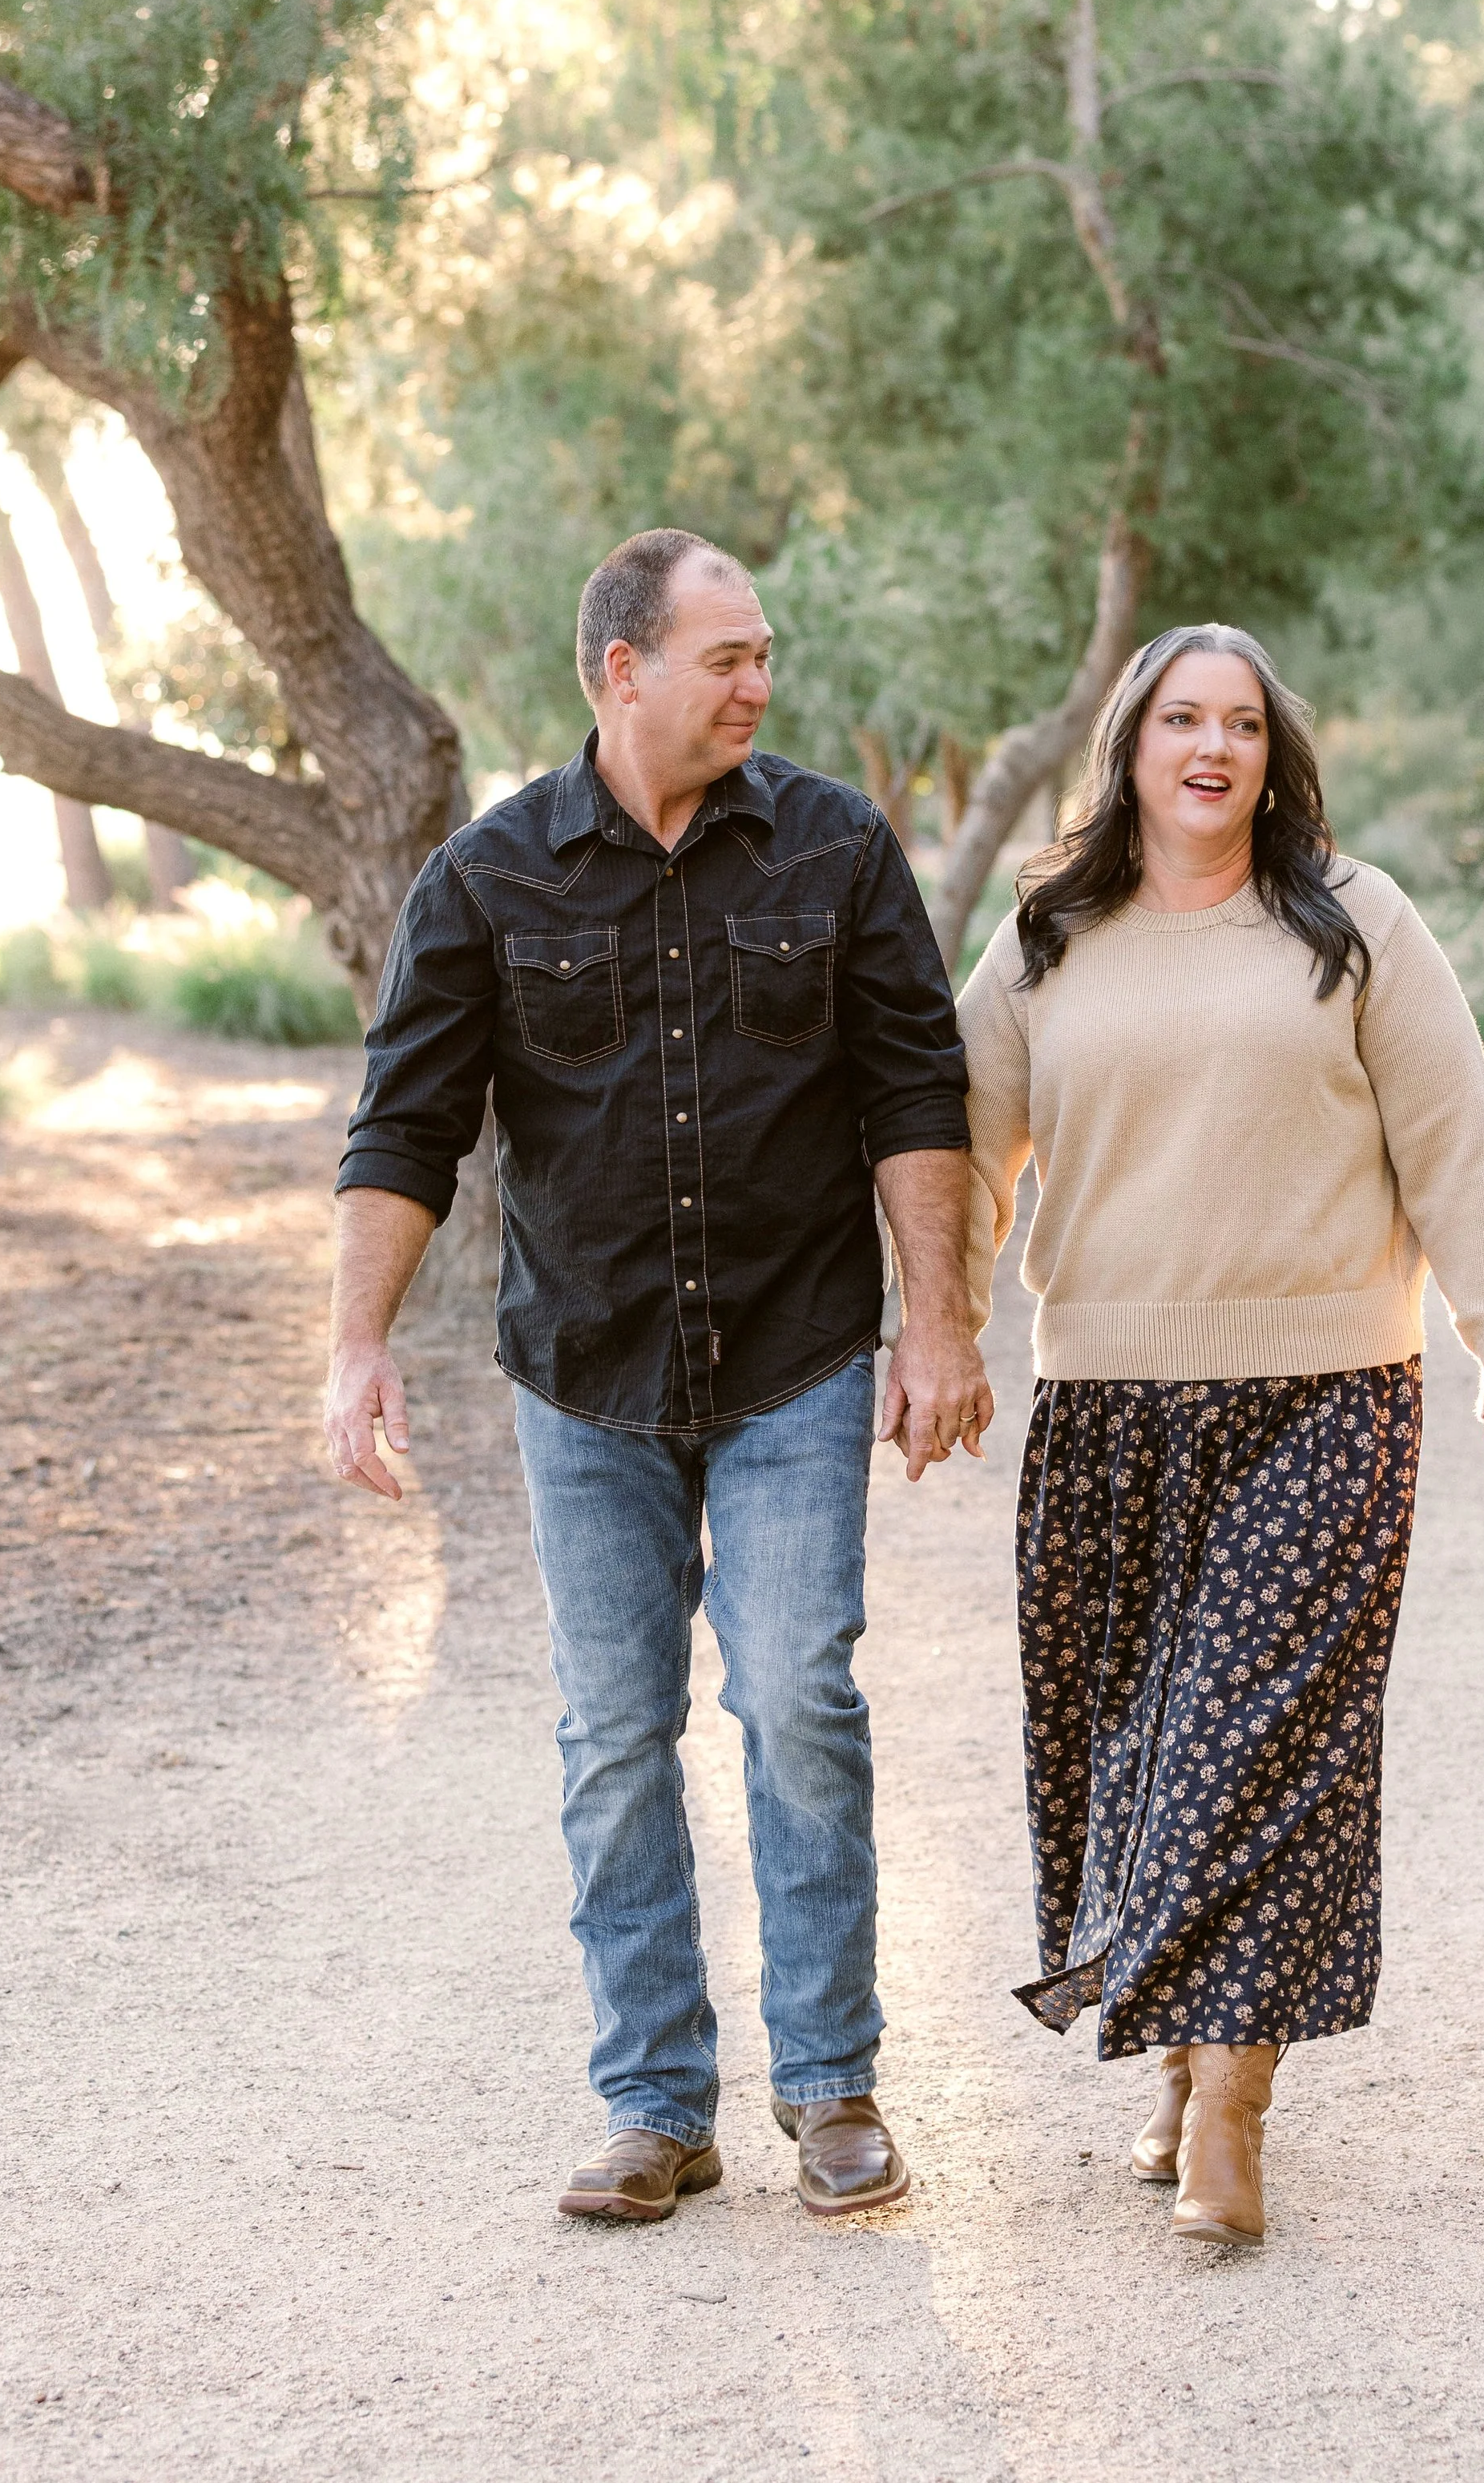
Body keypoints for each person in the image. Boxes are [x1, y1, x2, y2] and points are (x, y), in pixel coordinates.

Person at [323, 529, 992, 2223]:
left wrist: (939, 1322)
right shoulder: (486, 879)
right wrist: (354, 1343)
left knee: (799, 1705)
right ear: (621, 672)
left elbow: (915, 1088)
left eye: (763, 654)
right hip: (584, 1373)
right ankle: (653, 2105)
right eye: (726, 656)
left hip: (793, 1357)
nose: (758, 684)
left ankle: (831, 2086)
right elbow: (406, 1127)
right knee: (615, 1735)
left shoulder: (834, 846)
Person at [958, 622, 1484, 2250]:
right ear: (1131, 748)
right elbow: (958, 1158)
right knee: (1133, 1757)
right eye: (1179, 719)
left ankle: (1232, 2105)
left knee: (1260, 1747)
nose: (1209, 746)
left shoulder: (1353, 924)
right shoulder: (1041, 939)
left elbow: (1452, 1144)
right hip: (1102, 1407)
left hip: (1326, 1394)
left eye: (1239, 722)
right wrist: (934, 1333)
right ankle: (1175, 2051)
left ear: (1271, 755)